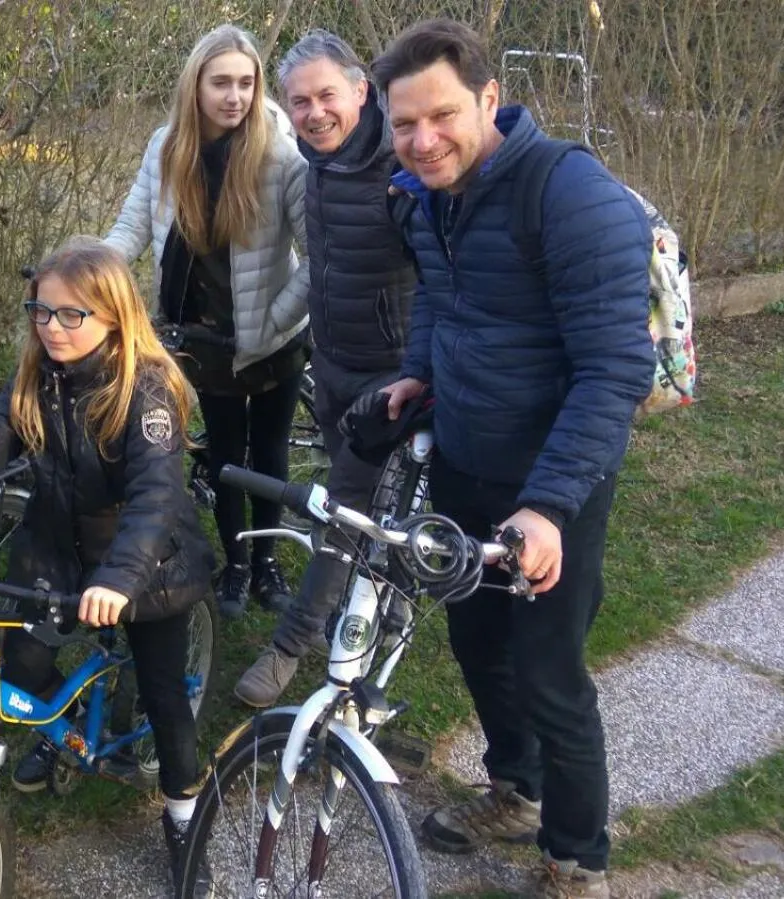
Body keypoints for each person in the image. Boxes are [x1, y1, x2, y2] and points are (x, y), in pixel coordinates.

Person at [371, 19, 655, 899]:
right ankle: (515, 788)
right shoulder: (424, 194)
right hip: (465, 461)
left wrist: (548, 505)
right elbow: (440, 295)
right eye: (404, 123)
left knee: (547, 668)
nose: (422, 140)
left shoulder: (569, 195)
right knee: (478, 640)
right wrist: (417, 372)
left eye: (441, 116)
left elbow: (615, 370)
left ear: (489, 100)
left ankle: (577, 858)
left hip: (551, 482)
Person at [0, 238, 215, 894]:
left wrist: (118, 578)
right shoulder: (34, 379)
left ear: (113, 316)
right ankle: (65, 731)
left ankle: (182, 816)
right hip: (56, 548)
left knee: (165, 694)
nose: (51, 327)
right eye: (41, 311)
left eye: (70, 315)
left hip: (146, 563)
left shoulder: (143, 389)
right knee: (20, 664)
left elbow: (153, 496)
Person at [234, 29, 419, 707]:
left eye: (327, 96)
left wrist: (420, 366)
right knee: (368, 513)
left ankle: (290, 646)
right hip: (332, 361)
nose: (314, 113)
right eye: (300, 101)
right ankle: (387, 610)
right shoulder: (315, 163)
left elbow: (443, 274)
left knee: (343, 511)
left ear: (361, 91)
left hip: (391, 377)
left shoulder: (402, 167)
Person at [104, 23, 310, 619]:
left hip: (271, 338)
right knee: (225, 454)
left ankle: (267, 561)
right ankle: (235, 563)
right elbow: (132, 227)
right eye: (221, 83)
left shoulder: (280, 154)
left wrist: (273, 322)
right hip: (202, 337)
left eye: (246, 83)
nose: (235, 96)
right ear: (195, 85)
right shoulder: (167, 147)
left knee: (269, 454)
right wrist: (86, 271)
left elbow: (319, 258)